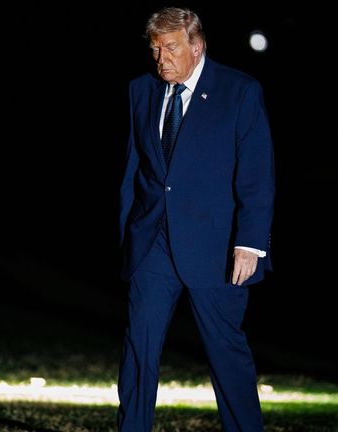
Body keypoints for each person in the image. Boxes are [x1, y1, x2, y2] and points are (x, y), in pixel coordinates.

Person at [117, 7, 274, 431]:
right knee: (139, 349)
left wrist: (250, 242)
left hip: (217, 248)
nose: (161, 59)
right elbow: (134, 171)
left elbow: (256, 172)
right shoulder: (141, 91)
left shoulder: (239, 91)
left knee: (226, 353)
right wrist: (127, 240)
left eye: (170, 48)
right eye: (155, 50)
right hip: (153, 245)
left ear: (197, 46)